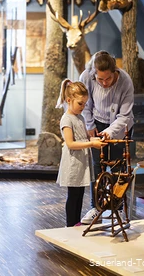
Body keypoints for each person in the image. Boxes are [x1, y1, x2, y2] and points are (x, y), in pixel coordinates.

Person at [78, 50, 135, 225]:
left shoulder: (125, 81)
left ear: (114, 72)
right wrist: (90, 125)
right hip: (96, 123)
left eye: (107, 79)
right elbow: (85, 103)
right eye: (100, 79)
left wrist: (110, 132)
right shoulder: (87, 76)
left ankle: (116, 209)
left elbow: (125, 115)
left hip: (120, 126)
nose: (103, 83)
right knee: (98, 167)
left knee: (118, 167)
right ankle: (97, 208)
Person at [55, 79, 107, 227]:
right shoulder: (66, 119)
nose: (83, 107)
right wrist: (91, 143)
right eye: (80, 103)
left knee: (79, 194)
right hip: (73, 163)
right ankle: (70, 224)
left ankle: (76, 222)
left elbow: (84, 137)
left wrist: (95, 139)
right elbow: (70, 143)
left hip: (81, 162)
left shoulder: (81, 118)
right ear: (69, 100)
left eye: (85, 104)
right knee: (73, 195)